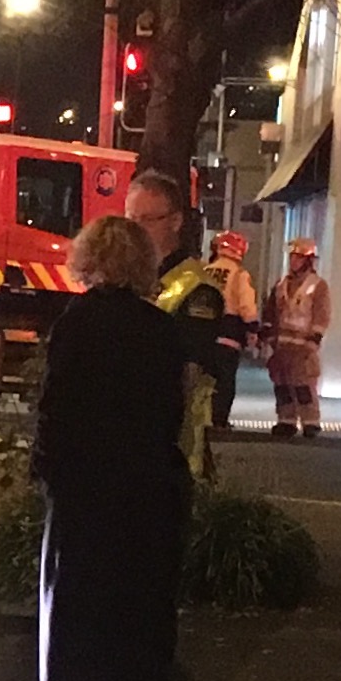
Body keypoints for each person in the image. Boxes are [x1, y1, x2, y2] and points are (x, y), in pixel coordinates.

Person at [31, 215, 189, 681]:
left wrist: (46, 469)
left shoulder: (79, 321)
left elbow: (56, 406)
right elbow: (174, 412)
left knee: (78, 602)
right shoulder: (161, 328)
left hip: (86, 486)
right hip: (147, 486)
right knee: (134, 604)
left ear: (89, 258)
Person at [124, 170, 225, 476]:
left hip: (172, 446)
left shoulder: (197, 290)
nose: (135, 229)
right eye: (130, 218)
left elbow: (188, 372)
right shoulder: (131, 278)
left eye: (147, 220)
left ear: (175, 222)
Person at [263, 238, 331, 438]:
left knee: (303, 385)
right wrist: (267, 334)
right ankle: (286, 421)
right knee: (282, 385)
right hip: (281, 346)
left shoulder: (317, 286)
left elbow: (322, 313)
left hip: (303, 346)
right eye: (292, 257)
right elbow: (271, 312)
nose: (293, 261)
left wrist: (314, 339)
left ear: (308, 261)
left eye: (298, 258)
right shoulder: (281, 284)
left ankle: (310, 422)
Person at [204, 230, 259, 430]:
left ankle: (205, 417)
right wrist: (252, 327)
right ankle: (220, 419)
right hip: (229, 334)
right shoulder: (239, 274)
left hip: (206, 332)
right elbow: (246, 305)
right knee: (225, 379)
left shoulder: (206, 270)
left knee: (207, 379)